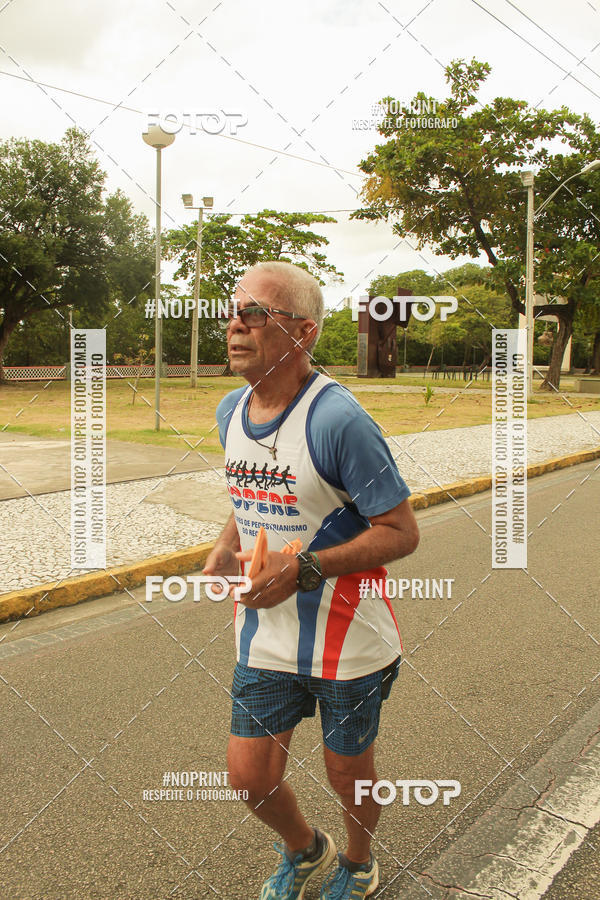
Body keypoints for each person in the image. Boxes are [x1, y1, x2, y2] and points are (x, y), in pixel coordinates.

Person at [203, 261, 419, 900]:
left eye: (254, 315)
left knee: (348, 771)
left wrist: (307, 568)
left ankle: (357, 861)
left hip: (347, 641)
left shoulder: (339, 421)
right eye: (230, 313)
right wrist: (225, 541)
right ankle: (305, 847)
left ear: (303, 334)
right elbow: (255, 495)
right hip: (263, 636)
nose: (234, 326)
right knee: (249, 777)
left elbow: (401, 531)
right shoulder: (229, 411)